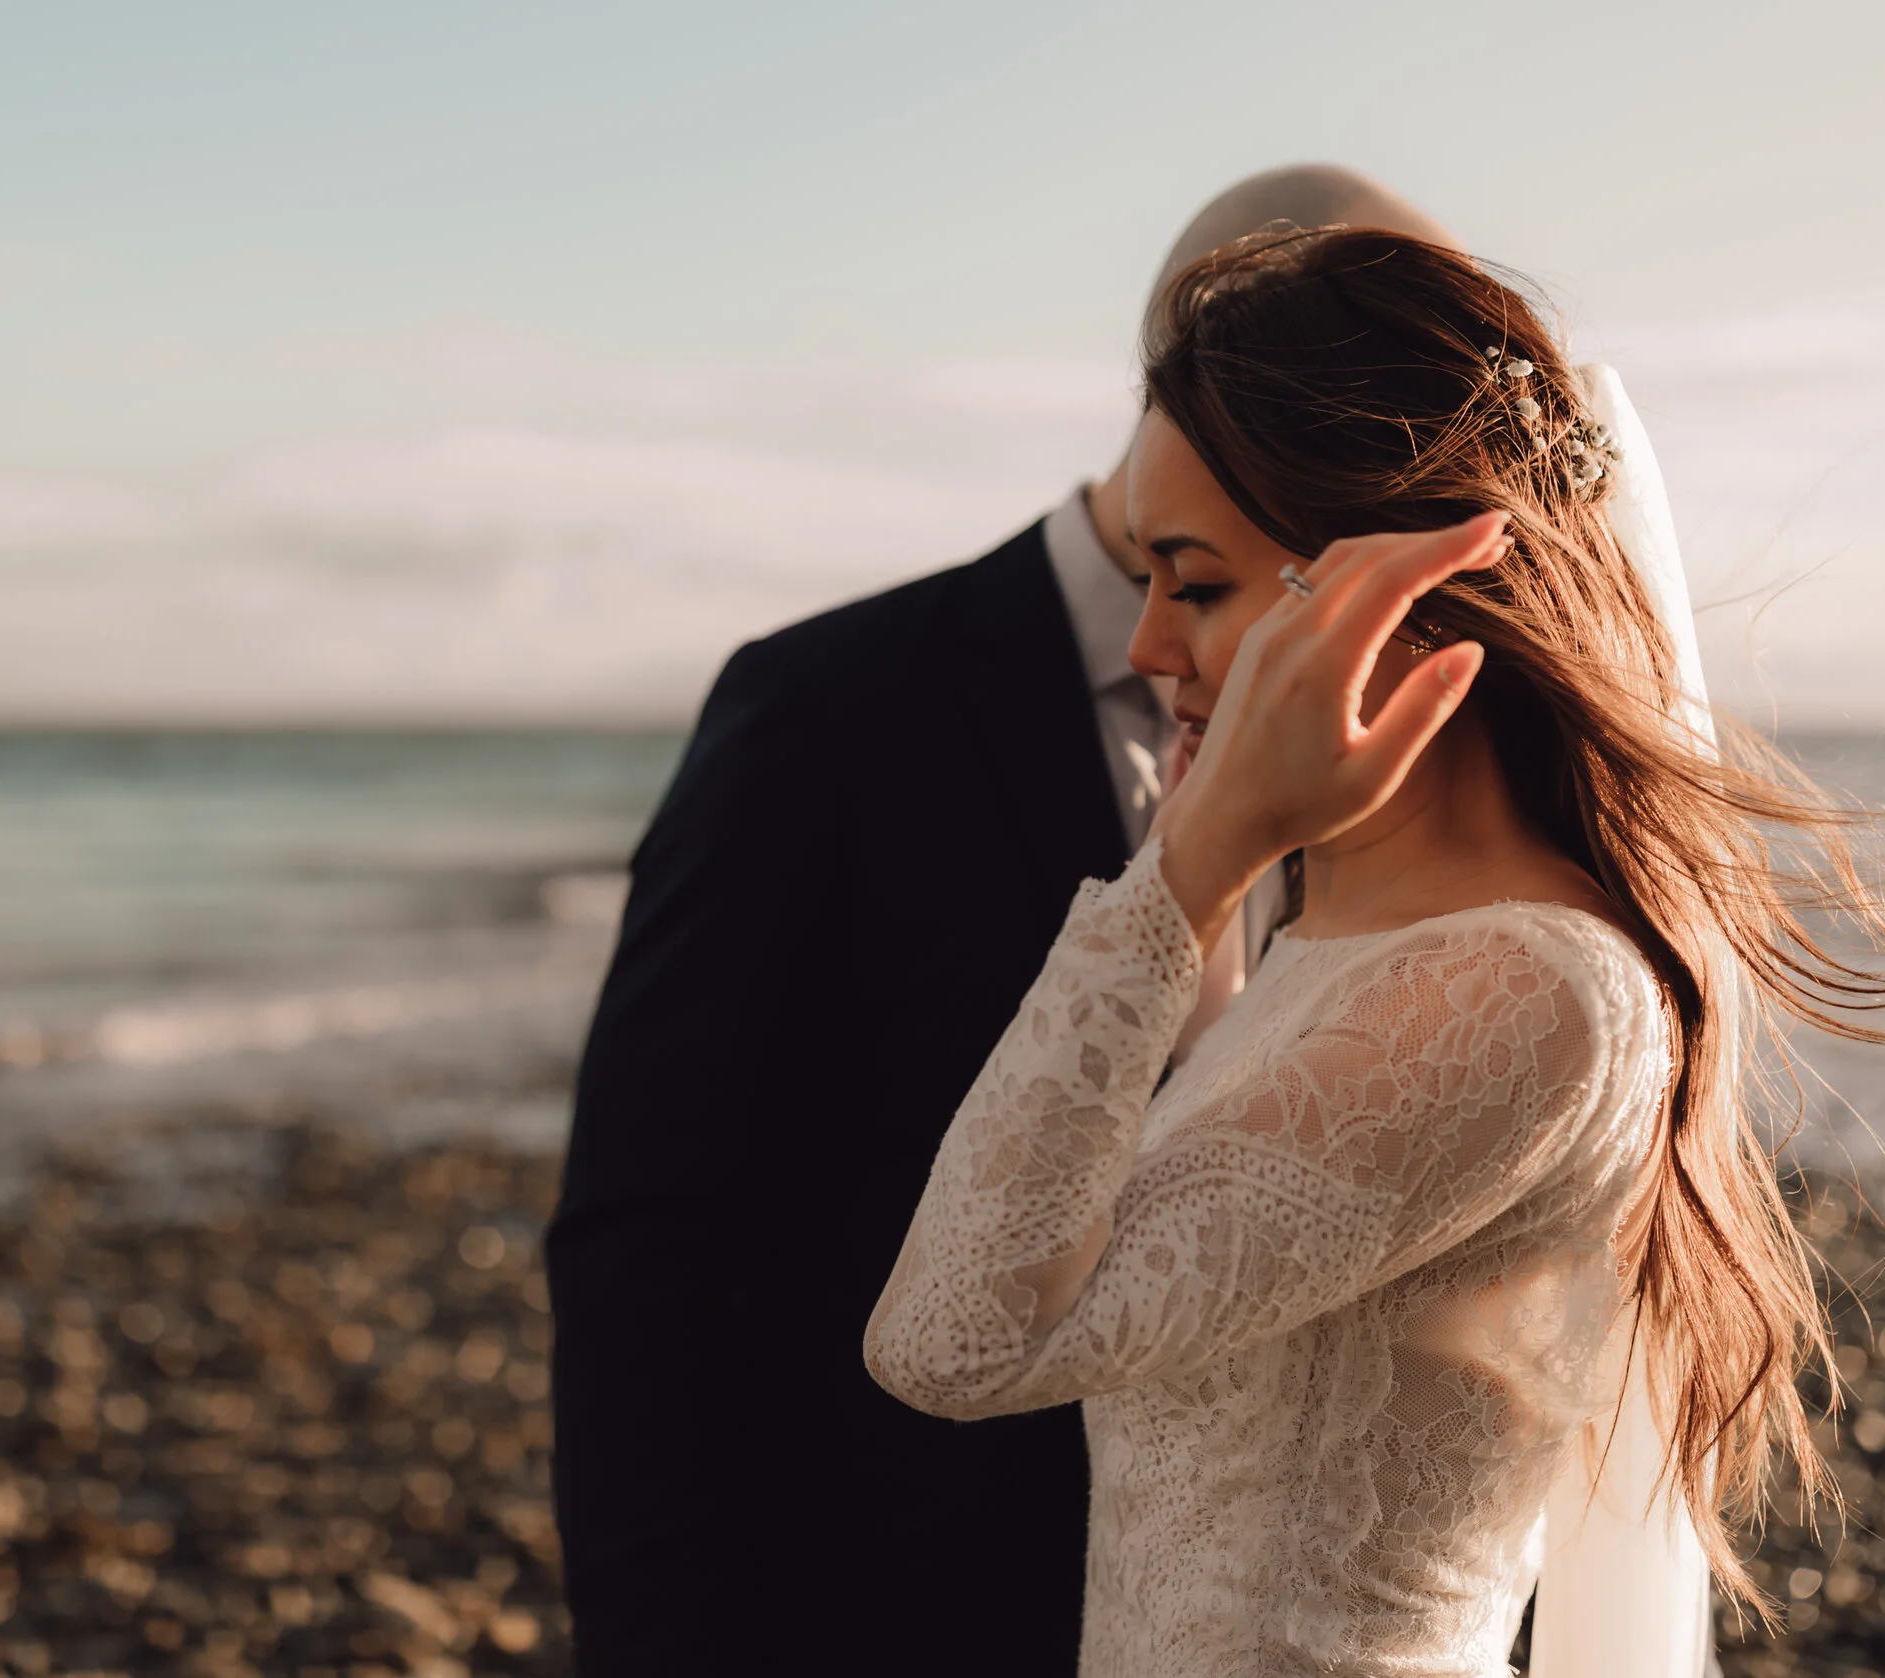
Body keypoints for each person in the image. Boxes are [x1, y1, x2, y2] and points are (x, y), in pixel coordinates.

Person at [866, 228, 1885, 1674]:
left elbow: (951, 1338)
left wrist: (1190, 856)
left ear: (1395, 585)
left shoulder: (1527, 993)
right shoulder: (1336, 935)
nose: (1152, 641)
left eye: (1198, 581)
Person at [544, 168, 1452, 1676]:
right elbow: (646, 1242)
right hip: (903, 1605)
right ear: (1205, 377)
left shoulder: (1429, 747)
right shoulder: (826, 711)